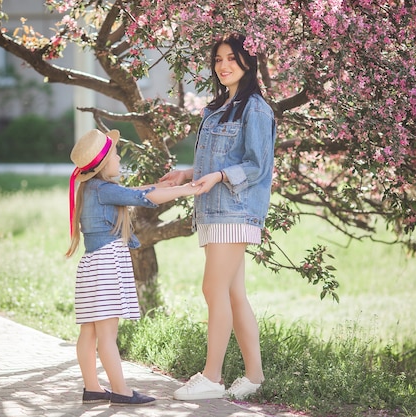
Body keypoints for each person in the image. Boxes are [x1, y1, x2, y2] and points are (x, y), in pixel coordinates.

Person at [160, 33, 277, 401]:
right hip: (213, 208)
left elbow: (257, 166)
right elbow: (214, 162)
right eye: (218, 59)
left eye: (232, 58)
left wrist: (222, 177)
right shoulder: (216, 109)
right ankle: (255, 377)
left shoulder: (255, 109)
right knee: (232, 292)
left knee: (212, 289)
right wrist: (187, 174)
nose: (223, 65)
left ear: (248, 63)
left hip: (236, 209)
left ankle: (212, 377)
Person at [66, 128, 198, 406]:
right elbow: (143, 198)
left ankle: (93, 388)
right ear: (103, 164)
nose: (118, 157)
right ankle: (121, 391)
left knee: (89, 331)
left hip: (92, 265)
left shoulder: (92, 188)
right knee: (107, 335)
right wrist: (186, 190)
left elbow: (134, 192)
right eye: (115, 153)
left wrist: (166, 187)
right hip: (106, 264)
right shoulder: (104, 189)